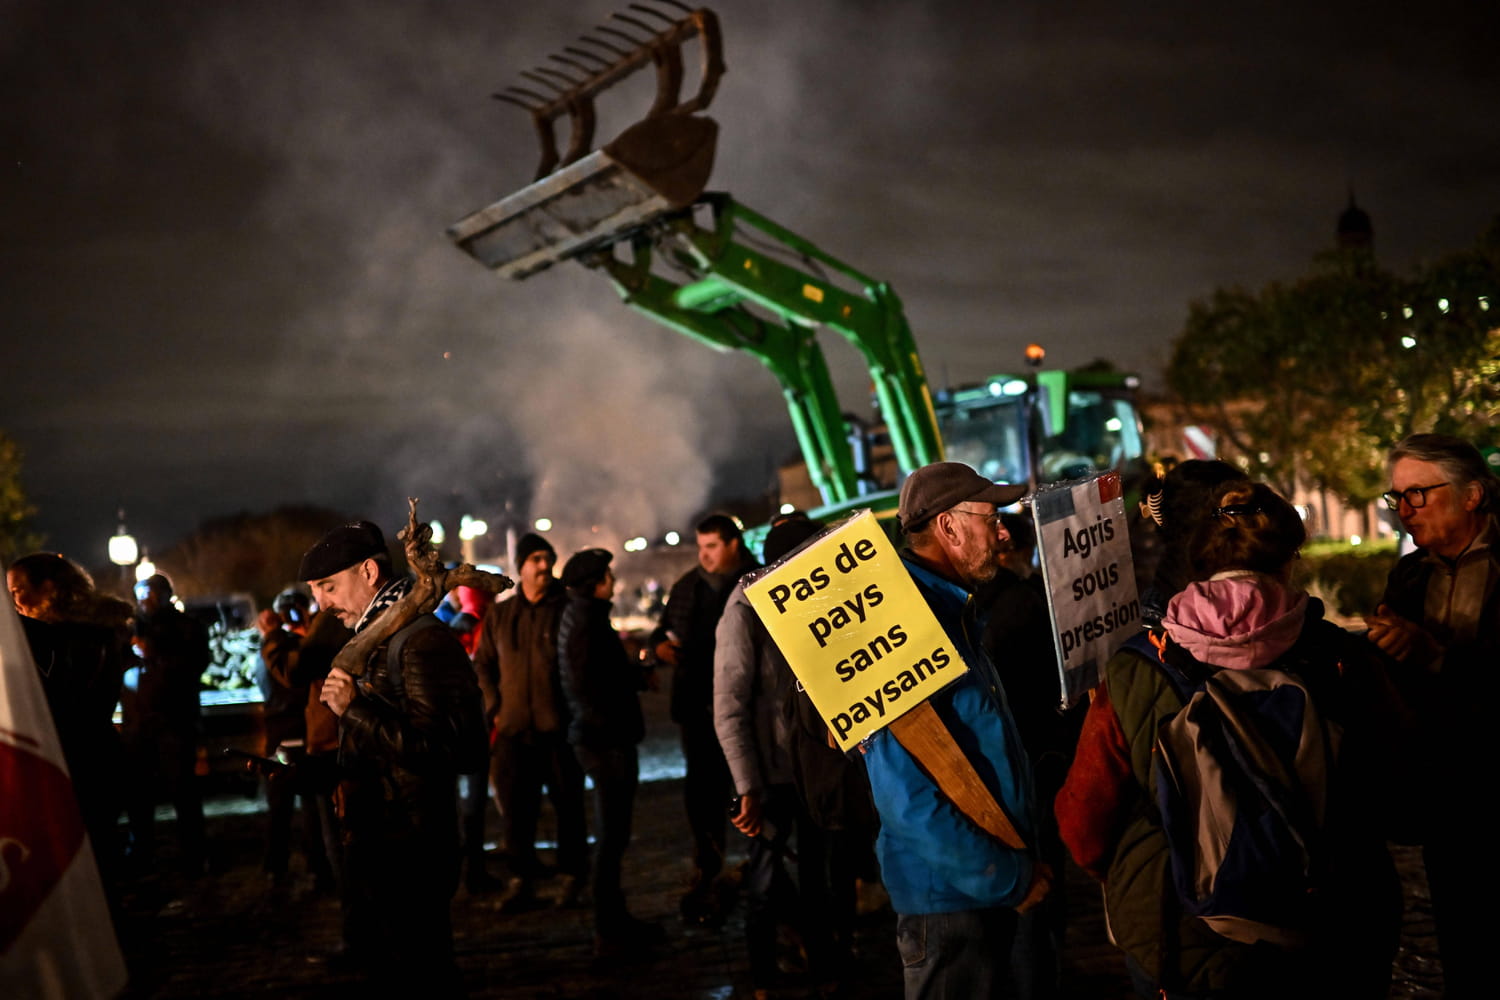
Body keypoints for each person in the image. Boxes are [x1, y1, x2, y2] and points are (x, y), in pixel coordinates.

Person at [1057, 480, 1400, 999]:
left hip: (1178, 927)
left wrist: (1136, 867)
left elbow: (1084, 818)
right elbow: (1397, 790)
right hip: (1332, 920)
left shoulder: (1134, 668)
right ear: (1290, 558)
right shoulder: (1340, 656)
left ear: (1198, 562)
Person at [862, 462, 1044, 999]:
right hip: (950, 903)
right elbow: (904, 796)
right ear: (949, 526)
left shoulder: (947, 611)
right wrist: (1004, 878)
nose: (1005, 532)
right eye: (992, 517)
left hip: (974, 891)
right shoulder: (902, 628)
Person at [302, 519, 484, 993]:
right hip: (383, 840)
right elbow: (382, 755)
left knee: (423, 974)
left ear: (368, 572)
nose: (321, 602)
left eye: (328, 586)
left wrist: (354, 710)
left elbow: (447, 750)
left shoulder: (420, 641)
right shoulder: (374, 640)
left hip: (413, 848)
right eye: (316, 590)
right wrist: (315, 771)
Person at [1364, 433, 1499, 999]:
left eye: (1417, 494)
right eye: (1397, 498)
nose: (1404, 511)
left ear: (1471, 495)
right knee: (1463, 938)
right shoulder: (1411, 575)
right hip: (1448, 790)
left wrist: (1437, 657)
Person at [714, 513, 843, 997]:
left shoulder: (817, 599)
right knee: (765, 883)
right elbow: (728, 705)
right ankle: (762, 977)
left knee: (819, 877)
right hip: (769, 774)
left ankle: (824, 963)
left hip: (815, 767)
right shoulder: (745, 609)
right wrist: (747, 786)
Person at [975, 513, 1079, 1000]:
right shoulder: (1025, 605)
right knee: (1038, 894)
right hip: (1034, 761)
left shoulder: (974, 608)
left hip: (1003, 768)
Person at [470, 531, 587, 907]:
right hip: (513, 730)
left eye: (546, 558)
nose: (543, 565)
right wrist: (497, 708)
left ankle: (572, 876)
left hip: (559, 731)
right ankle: (521, 878)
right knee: (517, 812)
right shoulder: (502, 615)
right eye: (535, 559)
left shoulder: (567, 609)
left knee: (569, 808)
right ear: (520, 567)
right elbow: (483, 666)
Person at [556, 547, 662, 959]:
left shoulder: (582, 616)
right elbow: (590, 685)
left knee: (613, 836)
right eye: (608, 576)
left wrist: (634, 676)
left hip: (600, 736)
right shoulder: (587, 622)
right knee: (611, 838)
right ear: (597, 582)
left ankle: (616, 921)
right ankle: (609, 930)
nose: (614, 582)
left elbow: (603, 676)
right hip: (604, 741)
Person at [652, 513, 759, 919]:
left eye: (712, 546)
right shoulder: (686, 587)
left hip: (746, 707)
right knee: (701, 789)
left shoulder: (756, 580)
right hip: (696, 706)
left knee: (748, 783)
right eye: (700, 547)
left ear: (733, 543)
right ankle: (708, 859)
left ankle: (755, 863)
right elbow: (661, 634)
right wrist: (660, 648)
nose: (704, 556)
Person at [7, 552, 133, 889]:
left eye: (18, 590)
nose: (14, 601)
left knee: (83, 860)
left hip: (78, 760)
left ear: (47, 587)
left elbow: (65, 698)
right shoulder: (97, 631)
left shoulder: (69, 637)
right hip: (93, 755)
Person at [121, 572, 209, 874]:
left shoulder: (186, 627)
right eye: (140, 594)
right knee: (137, 795)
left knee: (182, 791)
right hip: (137, 724)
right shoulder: (131, 626)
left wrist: (154, 653)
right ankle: (140, 851)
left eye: (150, 594)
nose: (144, 600)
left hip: (174, 722)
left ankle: (194, 853)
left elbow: (194, 666)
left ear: (164, 595)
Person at [255, 587, 336, 890]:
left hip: (287, 736)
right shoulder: (293, 650)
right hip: (293, 734)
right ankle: (313, 869)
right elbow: (297, 678)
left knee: (287, 807)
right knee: (304, 807)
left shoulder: (273, 647)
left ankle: (281, 868)